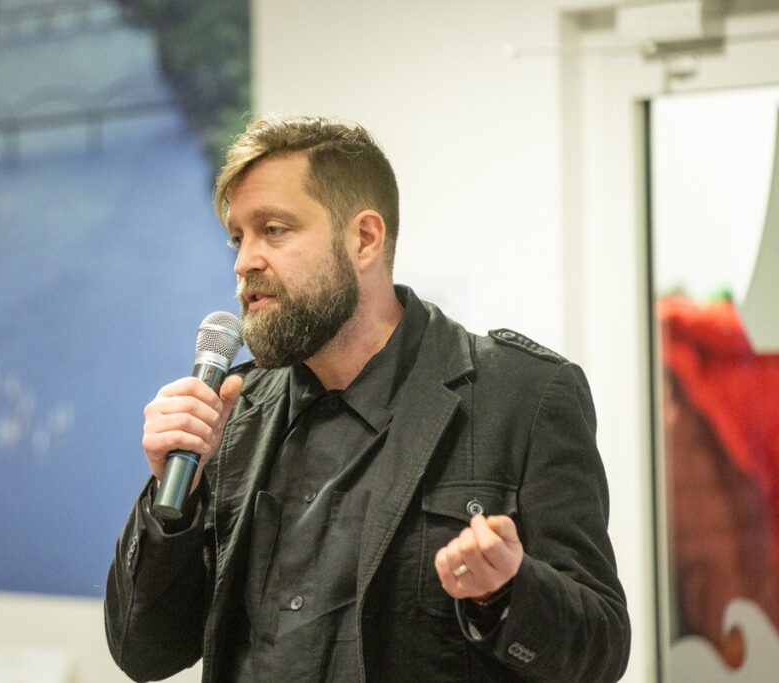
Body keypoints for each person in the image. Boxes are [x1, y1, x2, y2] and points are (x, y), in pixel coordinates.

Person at [105, 116, 630, 682]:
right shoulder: (230, 416)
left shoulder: (522, 398)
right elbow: (145, 653)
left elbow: (599, 652)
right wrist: (172, 499)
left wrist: (505, 593)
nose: (244, 262)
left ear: (364, 239)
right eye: (238, 237)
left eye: (274, 230)